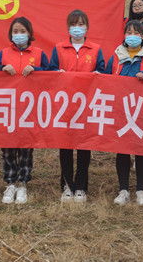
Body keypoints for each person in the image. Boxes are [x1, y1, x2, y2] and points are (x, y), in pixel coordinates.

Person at [105, 20, 143, 206]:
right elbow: (106, 78)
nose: (133, 36)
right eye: (129, 32)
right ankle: (123, 189)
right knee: (122, 149)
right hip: (121, 109)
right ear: (124, 36)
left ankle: (141, 190)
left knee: (142, 149)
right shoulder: (116, 56)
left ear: (142, 36)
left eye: (137, 33)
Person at [0, 17, 49, 205]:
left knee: (26, 146)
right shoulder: (3, 54)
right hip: (7, 107)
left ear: (29, 33)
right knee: (8, 146)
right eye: (15, 31)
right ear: (10, 34)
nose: (19, 34)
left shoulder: (39, 54)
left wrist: (36, 69)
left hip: (29, 109)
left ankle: (23, 183)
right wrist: (1, 68)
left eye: (22, 31)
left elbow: (51, 75)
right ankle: (10, 183)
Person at [49, 10, 106, 203]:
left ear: (87, 27)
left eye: (81, 24)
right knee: (65, 146)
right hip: (64, 106)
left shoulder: (96, 49)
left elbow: (103, 73)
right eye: (74, 24)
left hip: (86, 106)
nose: (77, 28)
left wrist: (98, 75)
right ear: (68, 27)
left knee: (84, 146)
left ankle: (81, 186)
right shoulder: (59, 48)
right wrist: (57, 73)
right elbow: (50, 72)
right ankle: (67, 185)